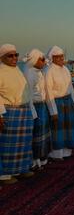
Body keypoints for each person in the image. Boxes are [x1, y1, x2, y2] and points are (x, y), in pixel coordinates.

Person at [0, 44, 36, 184]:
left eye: (16, 55)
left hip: (24, 110)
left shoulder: (17, 70)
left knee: (24, 143)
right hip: (9, 112)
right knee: (8, 144)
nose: (14, 58)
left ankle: (21, 169)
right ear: (2, 58)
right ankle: (5, 175)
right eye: (10, 55)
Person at [45, 46, 74, 160]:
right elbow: (48, 91)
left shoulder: (65, 69)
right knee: (58, 128)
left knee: (69, 127)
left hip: (68, 101)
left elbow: (70, 87)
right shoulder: (49, 70)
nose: (60, 59)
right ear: (52, 58)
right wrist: (53, 111)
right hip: (57, 102)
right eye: (58, 57)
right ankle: (56, 154)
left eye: (62, 56)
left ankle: (67, 152)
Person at [22, 49, 52, 170]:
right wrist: (33, 111)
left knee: (43, 133)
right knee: (36, 135)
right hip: (35, 106)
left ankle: (41, 158)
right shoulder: (29, 73)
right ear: (35, 60)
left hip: (42, 105)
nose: (44, 61)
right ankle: (34, 161)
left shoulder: (39, 72)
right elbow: (28, 95)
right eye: (42, 59)